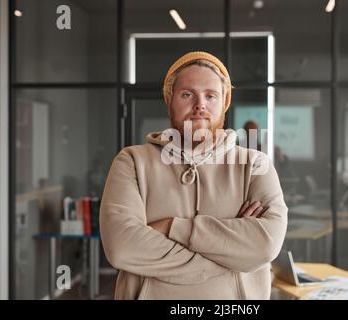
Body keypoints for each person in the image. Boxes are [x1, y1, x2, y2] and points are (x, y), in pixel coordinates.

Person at [99, 51, 288, 299]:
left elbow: (265, 244)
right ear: (169, 101)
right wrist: (228, 255)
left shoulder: (254, 165)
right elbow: (122, 247)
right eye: (187, 94)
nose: (200, 105)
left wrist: (171, 228)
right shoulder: (132, 162)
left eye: (211, 96)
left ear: (224, 104)